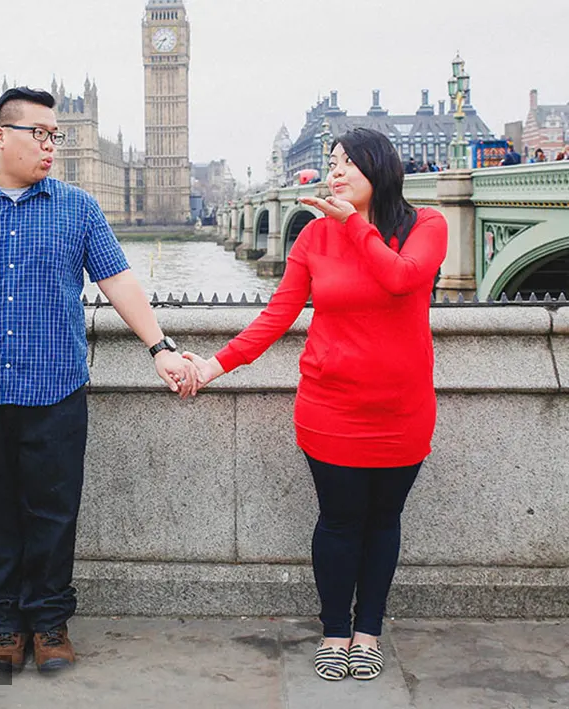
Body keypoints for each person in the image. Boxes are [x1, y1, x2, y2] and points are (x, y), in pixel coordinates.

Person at [0, 86, 199, 674]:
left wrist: (159, 346)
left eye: (56, 135)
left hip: (56, 391)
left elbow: (119, 283)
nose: (51, 145)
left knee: (54, 514)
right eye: (39, 133)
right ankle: (6, 626)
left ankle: (50, 623)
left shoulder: (78, 207)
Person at [184, 127, 447, 682]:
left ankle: (367, 632)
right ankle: (334, 631)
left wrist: (353, 225)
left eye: (347, 164)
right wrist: (213, 365)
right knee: (339, 522)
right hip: (331, 407)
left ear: (379, 169)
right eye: (332, 164)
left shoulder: (427, 225)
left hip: (402, 409)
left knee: (383, 522)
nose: (336, 173)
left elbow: (401, 280)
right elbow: (277, 315)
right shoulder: (312, 239)